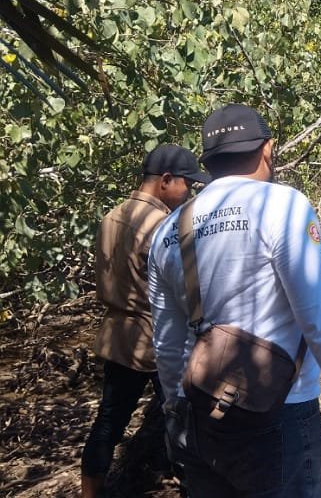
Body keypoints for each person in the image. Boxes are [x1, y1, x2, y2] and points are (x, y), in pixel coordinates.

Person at [148, 104, 321, 497]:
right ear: (268, 149)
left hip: (196, 415)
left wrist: (179, 407)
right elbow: (320, 319)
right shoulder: (283, 206)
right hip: (276, 418)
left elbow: (167, 345)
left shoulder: (169, 230)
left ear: (208, 161)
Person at [82, 144, 210, 498]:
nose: (189, 193)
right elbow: (185, 290)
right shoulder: (165, 226)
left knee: (108, 421)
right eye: (188, 184)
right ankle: (192, 485)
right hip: (155, 337)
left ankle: (89, 491)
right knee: (185, 417)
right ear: (166, 181)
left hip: (116, 336)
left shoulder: (112, 215)